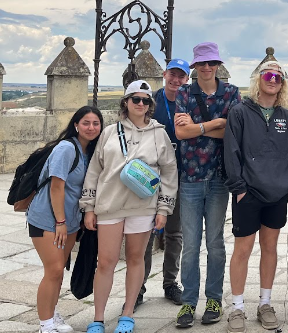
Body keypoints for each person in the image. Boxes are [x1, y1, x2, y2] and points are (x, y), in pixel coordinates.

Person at [81, 80, 179, 333]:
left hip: (143, 207)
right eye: (135, 99)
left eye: (146, 100)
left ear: (150, 106)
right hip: (110, 205)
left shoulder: (159, 133)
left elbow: (169, 172)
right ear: (126, 102)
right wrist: (89, 206)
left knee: (136, 260)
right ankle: (99, 317)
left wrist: (163, 209)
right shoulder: (109, 132)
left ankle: (127, 314)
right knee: (106, 262)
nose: (140, 104)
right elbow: (94, 170)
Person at [223, 60, 288, 333]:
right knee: (242, 250)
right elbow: (231, 151)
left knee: (270, 248)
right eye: (268, 75)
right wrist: (239, 188)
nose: (273, 80)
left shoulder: (286, 116)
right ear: (259, 79)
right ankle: (238, 307)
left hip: (276, 193)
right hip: (248, 192)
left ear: (282, 84)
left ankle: (265, 303)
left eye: (278, 77)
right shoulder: (240, 112)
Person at [172, 43, 241, 328]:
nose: (206, 67)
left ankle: (213, 298)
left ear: (217, 64)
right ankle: (188, 303)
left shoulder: (232, 93)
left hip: (219, 177)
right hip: (189, 177)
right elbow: (180, 132)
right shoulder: (185, 93)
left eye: (211, 62)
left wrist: (197, 127)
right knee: (190, 245)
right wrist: (215, 124)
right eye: (201, 63)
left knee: (215, 243)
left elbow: (234, 131)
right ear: (195, 67)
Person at [28, 106, 105, 333]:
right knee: (53, 270)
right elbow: (56, 186)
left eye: (96, 123)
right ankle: (45, 325)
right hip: (47, 218)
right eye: (86, 123)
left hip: (70, 220)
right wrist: (60, 222)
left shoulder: (87, 151)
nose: (91, 128)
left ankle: (51, 315)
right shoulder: (66, 148)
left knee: (59, 270)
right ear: (75, 125)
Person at [140, 58, 191, 308]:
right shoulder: (150, 102)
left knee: (175, 232)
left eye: (182, 76)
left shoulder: (190, 102)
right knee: (146, 232)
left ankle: (170, 283)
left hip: (179, 175)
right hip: (150, 177)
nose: (177, 80)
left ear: (187, 79)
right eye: (173, 74)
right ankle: (138, 286)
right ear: (164, 74)